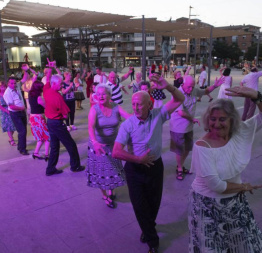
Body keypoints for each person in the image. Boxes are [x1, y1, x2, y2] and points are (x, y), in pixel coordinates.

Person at [112, 74, 185, 253]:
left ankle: (147, 228)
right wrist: (138, 159)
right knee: (139, 205)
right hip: (135, 170)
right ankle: (153, 241)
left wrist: (167, 86)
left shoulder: (158, 116)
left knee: (154, 203)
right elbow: (116, 151)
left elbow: (180, 99)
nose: (136, 107)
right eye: (134, 104)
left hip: (155, 167)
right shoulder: (127, 125)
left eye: (140, 104)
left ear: (150, 105)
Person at [188, 86, 262, 253]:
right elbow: (217, 186)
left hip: (235, 200)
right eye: (212, 119)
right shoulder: (202, 146)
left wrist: (257, 97)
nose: (216, 124)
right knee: (215, 247)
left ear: (231, 120)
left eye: (222, 119)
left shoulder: (241, 131)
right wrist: (245, 187)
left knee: (244, 243)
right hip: (208, 205)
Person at [170, 75, 224, 180]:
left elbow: (205, 91)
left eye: (192, 87)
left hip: (188, 127)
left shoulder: (193, 90)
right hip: (178, 127)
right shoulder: (177, 93)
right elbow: (181, 112)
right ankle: (180, 168)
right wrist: (192, 119)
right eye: (189, 87)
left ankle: (179, 165)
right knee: (179, 150)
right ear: (183, 84)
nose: (191, 89)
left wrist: (215, 86)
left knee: (187, 148)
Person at [87, 83, 131, 208]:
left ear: (110, 95)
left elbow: (128, 117)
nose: (100, 96)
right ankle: (105, 195)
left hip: (113, 145)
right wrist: (95, 142)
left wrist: (140, 116)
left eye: (103, 93)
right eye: (98, 94)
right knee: (102, 172)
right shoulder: (94, 109)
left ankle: (111, 190)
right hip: (99, 146)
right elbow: (91, 127)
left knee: (114, 169)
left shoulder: (116, 107)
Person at [43, 68, 85, 176]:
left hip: (50, 122)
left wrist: (50, 69)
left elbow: (47, 79)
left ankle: (50, 169)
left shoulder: (46, 90)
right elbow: (66, 114)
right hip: (57, 123)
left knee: (55, 147)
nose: (62, 86)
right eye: (60, 84)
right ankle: (75, 166)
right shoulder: (58, 97)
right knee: (71, 145)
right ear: (54, 83)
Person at [3, 72, 29, 155]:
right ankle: (22, 149)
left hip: (21, 112)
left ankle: (20, 146)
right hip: (15, 114)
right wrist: (22, 108)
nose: (13, 85)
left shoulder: (17, 86)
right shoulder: (7, 93)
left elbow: (24, 79)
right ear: (8, 83)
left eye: (14, 83)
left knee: (23, 130)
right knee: (22, 131)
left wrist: (26, 70)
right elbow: (11, 106)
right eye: (11, 83)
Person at [28, 80, 50, 160]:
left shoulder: (30, 95)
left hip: (33, 118)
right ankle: (47, 155)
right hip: (38, 118)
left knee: (40, 137)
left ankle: (36, 153)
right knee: (47, 136)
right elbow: (46, 107)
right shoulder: (39, 98)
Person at [0, 81, 17, 146]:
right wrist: (5, 110)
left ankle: (10, 137)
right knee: (8, 126)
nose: (3, 88)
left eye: (4, 86)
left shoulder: (8, 93)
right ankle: (11, 139)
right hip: (3, 111)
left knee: (13, 125)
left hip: (10, 109)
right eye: (1, 87)